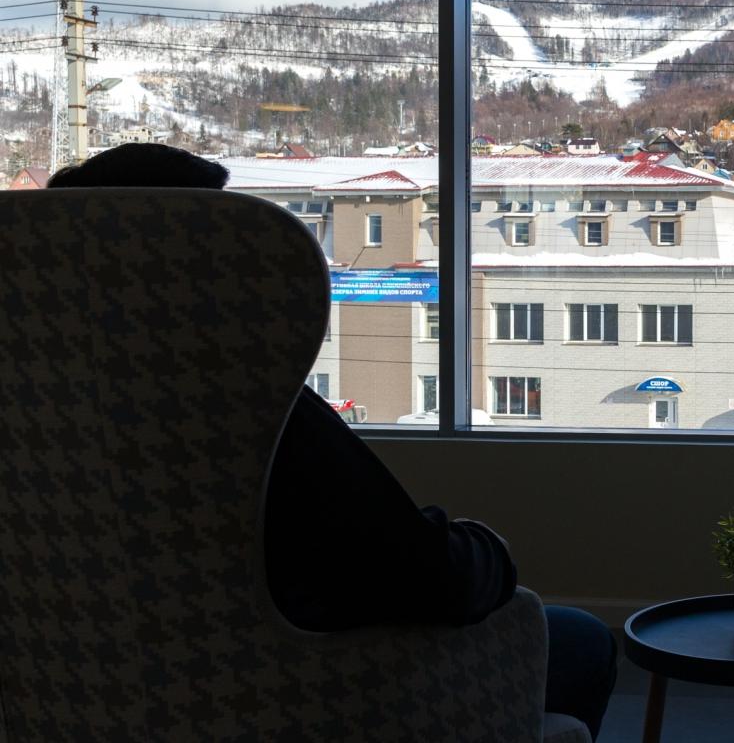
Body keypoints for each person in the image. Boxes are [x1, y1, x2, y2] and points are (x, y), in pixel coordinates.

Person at [48, 143, 618, 739]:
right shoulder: (241, 404)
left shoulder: (44, 404)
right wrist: (488, 551)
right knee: (579, 639)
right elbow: (419, 574)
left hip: (86, 697)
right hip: (293, 694)